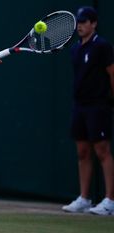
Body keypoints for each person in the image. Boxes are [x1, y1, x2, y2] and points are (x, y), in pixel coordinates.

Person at [62, 6, 114, 215]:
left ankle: (110, 201)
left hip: (99, 105)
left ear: (94, 24)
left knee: (102, 151)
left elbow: (112, 74)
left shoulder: (102, 46)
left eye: (85, 22)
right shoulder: (75, 48)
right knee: (82, 152)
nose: (80, 26)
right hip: (80, 106)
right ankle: (84, 198)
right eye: (79, 22)